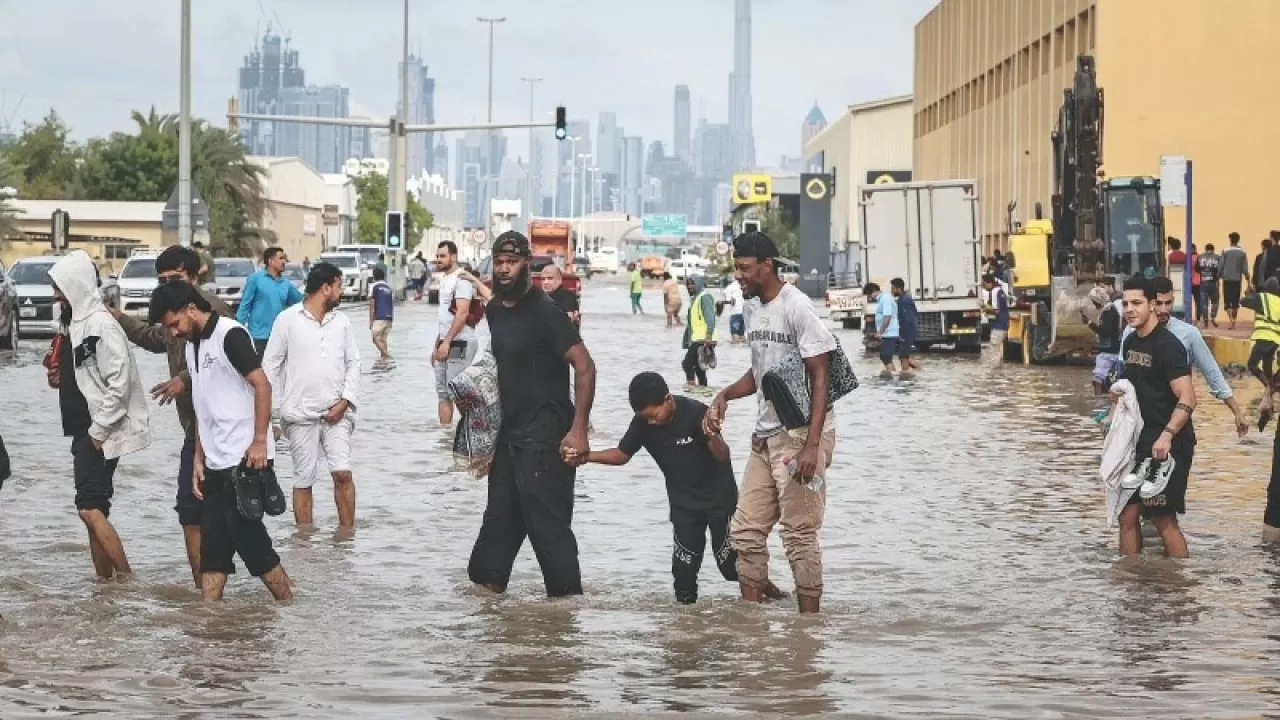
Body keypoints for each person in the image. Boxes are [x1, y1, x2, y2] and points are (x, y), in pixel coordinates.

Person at [705, 231, 837, 614]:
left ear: (767, 266)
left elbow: (821, 374)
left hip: (800, 438)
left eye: (745, 269)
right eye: (736, 269)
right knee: (745, 532)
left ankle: (808, 632)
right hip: (764, 438)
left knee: (798, 535)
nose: (739, 277)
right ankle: (751, 626)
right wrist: (725, 394)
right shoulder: (750, 308)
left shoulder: (796, 307)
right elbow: (763, 372)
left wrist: (813, 446)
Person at [467, 230, 597, 598]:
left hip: (547, 437)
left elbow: (585, 367)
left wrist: (579, 430)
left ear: (527, 264)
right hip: (509, 438)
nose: (504, 269)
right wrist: (482, 431)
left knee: (549, 532)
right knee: (495, 531)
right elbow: (499, 371)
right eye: (499, 263)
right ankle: (491, 622)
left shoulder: (546, 312)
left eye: (512, 262)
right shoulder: (494, 311)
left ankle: (564, 618)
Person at [148, 282, 292, 602]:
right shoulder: (191, 345)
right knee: (212, 551)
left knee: (254, 547)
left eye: (175, 324)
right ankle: (210, 625)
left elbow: (263, 385)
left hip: (244, 460)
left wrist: (259, 443)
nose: (173, 333)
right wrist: (199, 456)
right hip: (215, 461)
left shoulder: (230, 335)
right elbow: (203, 406)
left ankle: (291, 609)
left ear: (191, 308)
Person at [110, 245, 234, 588]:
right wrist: (119, 318)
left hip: (225, 429)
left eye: (175, 279)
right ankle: (205, 595)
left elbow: (237, 366)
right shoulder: (169, 314)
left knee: (235, 517)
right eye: (161, 280)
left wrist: (184, 380)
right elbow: (155, 339)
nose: (167, 286)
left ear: (195, 277)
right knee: (190, 512)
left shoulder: (218, 312)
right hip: (194, 430)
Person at [584, 372, 738, 604]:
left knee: (729, 566)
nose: (652, 422)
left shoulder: (696, 412)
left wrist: (712, 434)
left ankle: (771, 596)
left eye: (654, 416)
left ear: (668, 399)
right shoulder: (643, 423)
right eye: (646, 418)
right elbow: (622, 454)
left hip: (719, 501)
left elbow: (723, 455)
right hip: (684, 505)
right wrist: (586, 457)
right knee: (683, 576)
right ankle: (687, 632)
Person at [46, 250, 151, 582]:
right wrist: (57, 377)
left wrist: (98, 431)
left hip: (98, 431)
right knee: (93, 511)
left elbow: (120, 381)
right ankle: (104, 586)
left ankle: (127, 578)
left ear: (74, 285)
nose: (56, 296)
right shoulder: (74, 325)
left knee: (89, 508)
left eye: (60, 288)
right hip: (82, 428)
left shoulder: (101, 324)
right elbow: (84, 375)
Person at [263, 263, 361, 531]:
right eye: (339, 286)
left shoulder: (342, 322)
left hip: (338, 412)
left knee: (342, 473)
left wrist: (345, 401)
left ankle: (346, 539)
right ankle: (305, 545)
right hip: (298, 414)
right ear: (325, 288)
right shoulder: (287, 320)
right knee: (304, 479)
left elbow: (354, 364)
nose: (342, 293)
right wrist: (268, 416)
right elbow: (269, 367)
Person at [1114, 276, 1196, 558]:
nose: (1130, 309)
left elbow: (1188, 397)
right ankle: (1130, 586)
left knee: (1163, 518)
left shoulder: (1168, 345)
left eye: (1137, 303)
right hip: (1142, 441)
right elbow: (1136, 389)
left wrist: (1168, 434)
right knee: (1126, 514)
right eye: (1125, 303)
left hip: (1171, 443)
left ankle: (1179, 588)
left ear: (1152, 305)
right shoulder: (1130, 342)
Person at [1121, 276, 1248, 436]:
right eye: (1159, 303)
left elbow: (1212, 373)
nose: (1164, 310)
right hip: (1138, 427)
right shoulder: (1131, 334)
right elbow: (1123, 379)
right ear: (1151, 303)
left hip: (1174, 425)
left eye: (1168, 303)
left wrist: (1237, 412)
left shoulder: (1188, 334)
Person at [434, 240, 479, 426]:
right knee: (442, 392)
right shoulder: (444, 279)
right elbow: (444, 317)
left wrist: (447, 342)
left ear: (453, 256)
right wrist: (437, 345)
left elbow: (462, 314)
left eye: (442, 256)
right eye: (437, 256)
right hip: (445, 341)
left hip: (460, 342)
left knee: (457, 390)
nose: (438, 259)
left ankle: (474, 431)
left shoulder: (462, 278)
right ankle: (445, 437)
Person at [237, 246, 303, 356]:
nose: (284, 262)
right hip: (258, 336)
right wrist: (238, 330)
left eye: (284, 259)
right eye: (281, 258)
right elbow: (245, 305)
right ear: (270, 261)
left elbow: (301, 302)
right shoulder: (255, 279)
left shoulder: (285, 284)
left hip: (279, 337)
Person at [1085, 280, 1124, 395]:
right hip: (1112, 350)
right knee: (1110, 380)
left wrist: (1090, 323)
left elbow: (1105, 331)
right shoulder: (1109, 310)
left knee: (1098, 379)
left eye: (1094, 301)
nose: (1094, 304)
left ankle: (1098, 400)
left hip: (1108, 351)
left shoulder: (1109, 311)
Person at [1243, 277, 1280, 392]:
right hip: (1275, 340)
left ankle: (1270, 388)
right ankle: (1270, 393)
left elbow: (1243, 302)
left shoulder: (1262, 298)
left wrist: (1250, 294)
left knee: (1252, 365)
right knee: (1267, 367)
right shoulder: (1278, 301)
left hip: (1264, 336)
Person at [681, 275, 717, 389]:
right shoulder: (695, 299)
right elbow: (692, 322)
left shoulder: (704, 297)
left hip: (704, 338)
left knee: (687, 363)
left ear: (699, 284)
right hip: (697, 338)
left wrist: (708, 336)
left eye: (692, 283)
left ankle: (691, 385)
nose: (690, 286)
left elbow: (710, 318)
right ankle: (703, 389)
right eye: (688, 284)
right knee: (698, 367)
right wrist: (687, 340)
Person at [863, 282, 899, 377]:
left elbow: (887, 317)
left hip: (889, 332)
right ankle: (892, 374)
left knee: (886, 356)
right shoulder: (882, 299)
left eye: (870, 294)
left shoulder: (885, 299)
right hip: (887, 333)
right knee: (884, 356)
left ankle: (894, 376)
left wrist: (880, 332)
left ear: (874, 291)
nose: (870, 297)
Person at [1221, 232, 1250, 329]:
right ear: (1238, 240)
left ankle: (1231, 320)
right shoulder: (1242, 252)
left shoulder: (1225, 251)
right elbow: (1245, 268)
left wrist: (1218, 276)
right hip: (1237, 279)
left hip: (1227, 279)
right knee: (1235, 301)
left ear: (1230, 240)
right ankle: (1234, 320)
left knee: (1227, 301)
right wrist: (1248, 279)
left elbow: (1221, 265)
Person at [891, 278, 920, 372]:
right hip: (907, 331)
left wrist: (903, 335)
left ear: (898, 289)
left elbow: (908, 319)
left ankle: (905, 376)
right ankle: (919, 371)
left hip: (907, 331)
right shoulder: (902, 299)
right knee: (902, 355)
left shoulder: (904, 300)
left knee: (903, 356)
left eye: (892, 288)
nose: (891, 290)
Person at [981, 274, 1010, 367]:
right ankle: (999, 369)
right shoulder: (997, 291)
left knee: (994, 347)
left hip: (1000, 325)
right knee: (997, 348)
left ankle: (995, 370)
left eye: (984, 283)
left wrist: (986, 309)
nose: (983, 286)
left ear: (989, 283)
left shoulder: (998, 292)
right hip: (998, 324)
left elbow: (999, 310)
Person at [368, 267, 394, 361]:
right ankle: (384, 361)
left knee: (375, 339)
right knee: (383, 339)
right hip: (389, 318)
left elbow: (372, 305)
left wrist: (371, 321)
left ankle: (387, 356)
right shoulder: (388, 287)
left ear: (374, 276)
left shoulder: (374, 286)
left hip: (379, 317)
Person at [1195, 243, 1221, 328]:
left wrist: (1204, 273)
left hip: (1203, 282)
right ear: (1213, 249)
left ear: (1205, 249)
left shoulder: (1200, 257)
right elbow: (1219, 270)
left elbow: (1197, 269)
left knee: (1204, 303)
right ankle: (1213, 317)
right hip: (1213, 283)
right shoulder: (1217, 257)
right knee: (1215, 301)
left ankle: (1206, 323)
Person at [723, 277, 746, 343]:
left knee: (735, 338)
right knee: (742, 336)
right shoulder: (744, 285)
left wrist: (722, 302)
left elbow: (730, 301)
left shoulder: (730, 287)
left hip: (735, 314)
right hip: (744, 314)